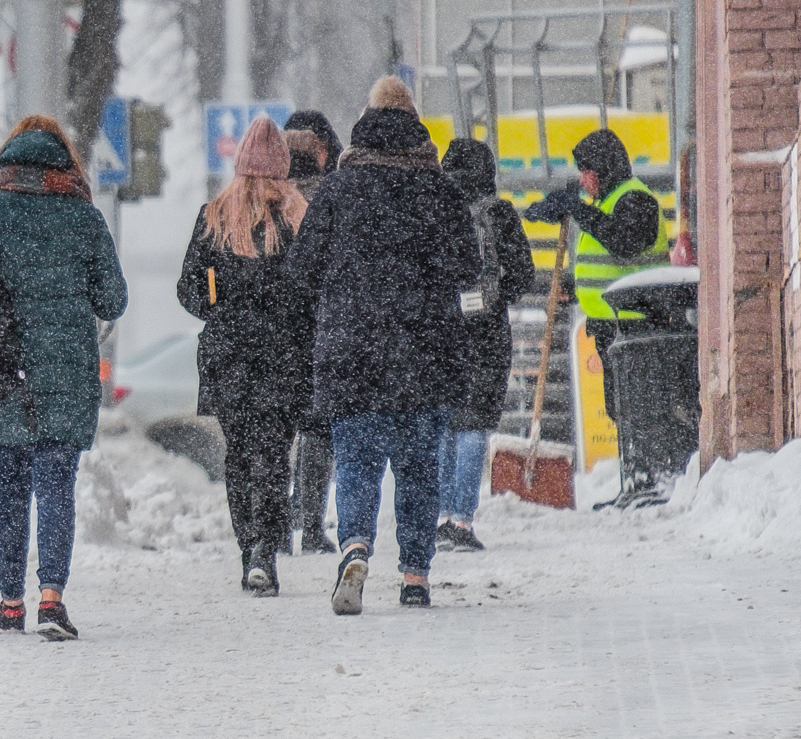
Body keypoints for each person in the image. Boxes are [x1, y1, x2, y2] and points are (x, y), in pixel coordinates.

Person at [285, 76, 480, 613]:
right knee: (419, 468)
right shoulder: (442, 191)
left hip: (353, 352)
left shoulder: (338, 191)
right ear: (414, 120)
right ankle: (415, 574)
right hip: (425, 351)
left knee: (356, 463)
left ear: (366, 120)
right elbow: (469, 269)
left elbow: (300, 273)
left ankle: (354, 546)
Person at [0, 115, 126, 640]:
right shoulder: (83, 217)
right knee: (55, 483)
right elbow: (113, 299)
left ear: (5, 159)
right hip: (67, 368)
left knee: (8, 485)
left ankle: (9, 603)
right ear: (64, 162)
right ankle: (52, 599)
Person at [177, 115, 311, 597]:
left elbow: (188, 290)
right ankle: (264, 554)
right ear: (281, 166)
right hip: (283, 355)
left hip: (228, 355)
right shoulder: (297, 216)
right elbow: (311, 289)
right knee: (274, 455)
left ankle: (248, 548)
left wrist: (217, 303)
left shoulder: (214, 216)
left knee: (239, 454)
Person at [526, 128, 669, 418]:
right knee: (620, 411)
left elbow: (625, 243)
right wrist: (574, 285)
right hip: (613, 327)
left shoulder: (635, 199)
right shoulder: (606, 202)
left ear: (604, 168)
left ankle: (644, 463)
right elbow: (607, 264)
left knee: (636, 411)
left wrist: (577, 210)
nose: (583, 180)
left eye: (587, 171)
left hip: (636, 327)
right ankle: (632, 462)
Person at [437, 138, 537, 551]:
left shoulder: (436, 211)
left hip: (441, 331)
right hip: (487, 333)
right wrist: (492, 298)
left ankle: (438, 515)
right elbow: (522, 276)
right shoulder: (498, 213)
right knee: (474, 424)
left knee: (443, 423)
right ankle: (461, 522)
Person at [282, 110, 343, 554]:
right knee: (319, 427)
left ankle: (274, 523)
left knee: (277, 430)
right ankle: (311, 523)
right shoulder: (332, 198)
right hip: (324, 326)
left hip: (276, 332)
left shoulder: (264, 199)